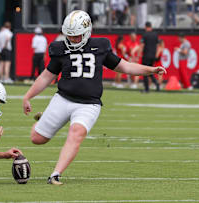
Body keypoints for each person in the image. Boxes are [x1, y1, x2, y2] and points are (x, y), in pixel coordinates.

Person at [22, 10, 166, 185]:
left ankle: (55, 174)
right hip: (63, 98)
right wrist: (28, 96)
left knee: (76, 133)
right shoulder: (60, 49)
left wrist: (150, 70)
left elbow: (125, 67)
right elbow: (46, 76)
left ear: (87, 31)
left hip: (88, 104)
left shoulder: (100, 47)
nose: (73, 39)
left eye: (77, 36)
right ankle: (43, 119)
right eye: (70, 35)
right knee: (37, 139)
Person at [140, 22, 160, 93]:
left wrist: (139, 54)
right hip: (153, 56)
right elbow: (158, 46)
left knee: (144, 72)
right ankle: (157, 84)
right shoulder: (155, 35)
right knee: (150, 71)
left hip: (146, 56)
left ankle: (146, 89)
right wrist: (156, 55)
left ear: (146, 27)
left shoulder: (145, 35)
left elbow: (142, 45)